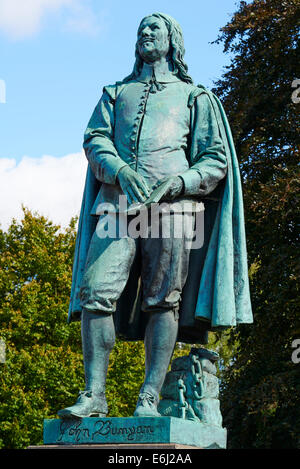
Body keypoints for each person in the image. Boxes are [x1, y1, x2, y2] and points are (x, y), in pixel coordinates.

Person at [58, 13, 253, 419]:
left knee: (164, 302)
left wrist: (180, 183)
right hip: (118, 206)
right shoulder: (115, 93)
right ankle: (94, 394)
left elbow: (215, 159)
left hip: (176, 210)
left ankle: (149, 396)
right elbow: (95, 139)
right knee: (96, 293)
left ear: (172, 40)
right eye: (141, 29)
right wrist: (121, 171)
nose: (145, 34)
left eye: (154, 28)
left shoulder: (195, 98)